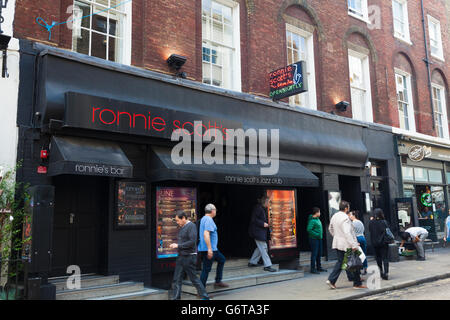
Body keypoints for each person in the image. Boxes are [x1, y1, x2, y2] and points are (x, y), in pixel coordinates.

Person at [169, 211, 210, 300]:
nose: (177, 222)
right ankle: (176, 298)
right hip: (181, 256)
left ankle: (205, 297)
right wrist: (177, 245)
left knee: (194, 279)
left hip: (189, 257)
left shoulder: (191, 226)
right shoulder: (182, 227)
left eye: (178, 220)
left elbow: (192, 242)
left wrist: (178, 245)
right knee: (177, 279)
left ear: (183, 218)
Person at [326, 201, 366, 290]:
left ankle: (332, 280)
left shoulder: (334, 216)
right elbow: (347, 232)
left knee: (342, 262)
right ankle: (357, 283)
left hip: (338, 243)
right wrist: (353, 245)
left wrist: (336, 236)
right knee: (354, 261)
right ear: (346, 208)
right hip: (347, 244)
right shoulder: (345, 218)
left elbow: (330, 228)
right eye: (348, 207)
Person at [198, 203, 229, 289]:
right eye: (215, 210)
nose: (216, 212)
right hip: (209, 249)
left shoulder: (203, 219)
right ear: (212, 211)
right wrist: (209, 249)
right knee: (206, 269)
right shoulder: (208, 219)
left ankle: (218, 281)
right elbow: (206, 234)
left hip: (212, 249)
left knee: (222, 259)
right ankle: (201, 291)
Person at [248, 195, 277, 272]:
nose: (269, 203)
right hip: (258, 232)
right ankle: (267, 265)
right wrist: (263, 224)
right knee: (264, 248)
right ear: (265, 201)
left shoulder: (261, 208)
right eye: (268, 202)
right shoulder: (258, 208)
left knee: (259, 248)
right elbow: (253, 219)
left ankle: (252, 262)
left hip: (259, 232)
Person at [368, 208, 390, 280]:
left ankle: (380, 272)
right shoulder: (384, 222)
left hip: (375, 243)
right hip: (383, 242)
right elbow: (387, 231)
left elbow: (369, 230)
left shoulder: (371, 222)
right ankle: (386, 273)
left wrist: (371, 220)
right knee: (385, 258)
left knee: (378, 258)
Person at [306, 207, 327, 274]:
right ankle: (312, 269)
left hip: (319, 239)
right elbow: (309, 229)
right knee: (314, 254)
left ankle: (319, 267)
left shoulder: (317, 219)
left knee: (319, 253)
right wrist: (317, 234)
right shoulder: (312, 221)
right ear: (316, 213)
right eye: (319, 212)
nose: (320, 213)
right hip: (313, 239)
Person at [349, 210, 367, 275]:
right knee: (363, 254)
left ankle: (358, 269)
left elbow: (352, 233)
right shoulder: (360, 222)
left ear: (354, 215)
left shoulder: (352, 223)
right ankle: (365, 267)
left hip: (357, 239)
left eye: (350, 215)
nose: (349, 216)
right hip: (362, 237)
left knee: (357, 255)